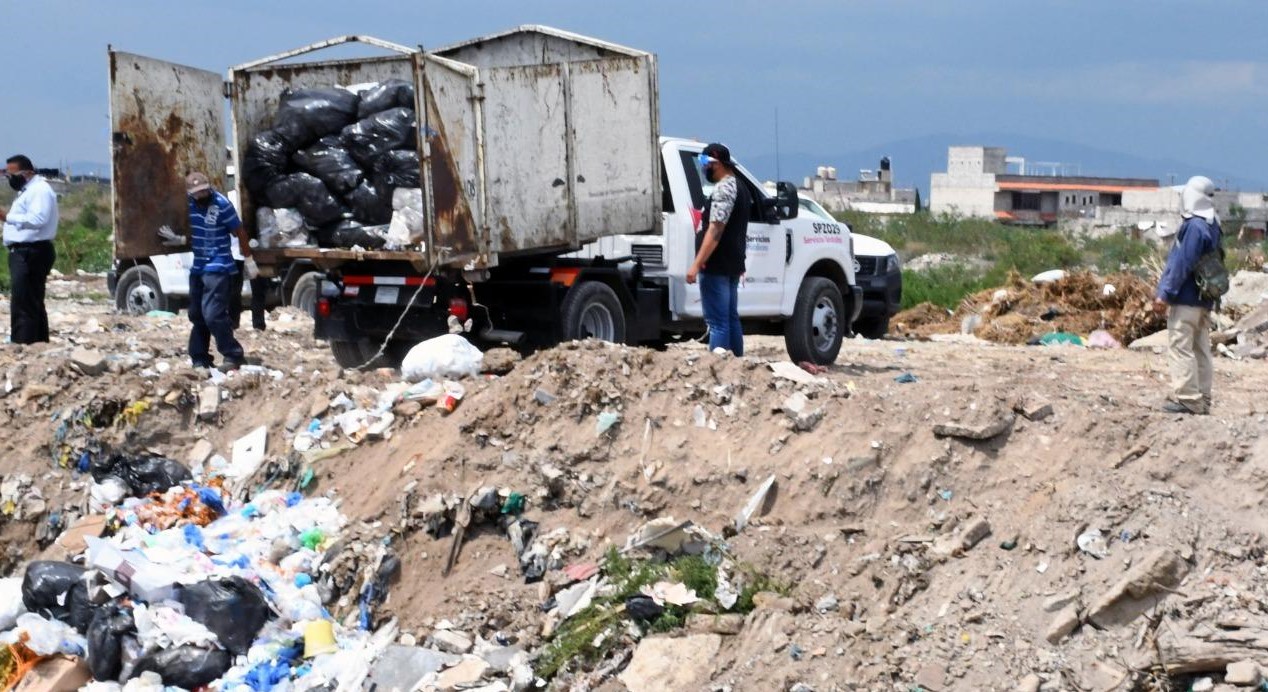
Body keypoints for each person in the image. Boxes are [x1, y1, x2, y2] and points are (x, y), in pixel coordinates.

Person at [165, 172, 253, 369]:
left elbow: (239, 231)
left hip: (218, 265)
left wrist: (249, 259)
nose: (201, 195)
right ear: (190, 193)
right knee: (197, 314)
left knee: (213, 314)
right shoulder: (188, 205)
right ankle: (200, 358)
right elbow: (194, 231)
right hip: (198, 266)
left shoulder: (222, 204)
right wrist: (180, 240)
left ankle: (233, 355)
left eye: (204, 191)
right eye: (197, 193)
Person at [1154, 175, 1222, 415]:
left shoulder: (1193, 227)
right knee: (1201, 349)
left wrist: (1165, 294)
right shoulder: (1214, 225)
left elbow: (1182, 263)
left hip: (1186, 300)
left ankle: (1188, 399)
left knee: (1180, 347)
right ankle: (1203, 400)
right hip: (1205, 300)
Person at [686, 143, 751, 356]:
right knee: (730, 318)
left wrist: (696, 265)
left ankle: (719, 368)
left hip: (717, 266)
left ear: (718, 163)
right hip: (731, 264)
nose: (704, 168)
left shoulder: (725, 188)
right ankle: (737, 365)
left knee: (717, 323)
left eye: (706, 163)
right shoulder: (740, 187)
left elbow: (715, 229)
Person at [1, 155, 59, 344]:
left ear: (26, 173)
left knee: (23, 302)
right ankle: (38, 344)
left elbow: (37, 220)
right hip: (26, 251)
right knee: (32, 301)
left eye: (12, 175)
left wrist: (7, 217)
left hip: (30, 252)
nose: (10, 179)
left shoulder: (39, 190)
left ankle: (23, 345)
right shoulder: (28, 191)